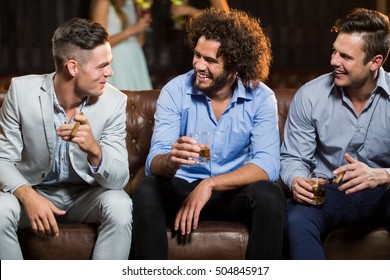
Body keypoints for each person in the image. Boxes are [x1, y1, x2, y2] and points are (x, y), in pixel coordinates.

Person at [133, 8, 286, 260]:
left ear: (236, 64)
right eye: (197, 55)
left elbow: (267, 164)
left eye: (211, 61)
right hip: (182, 189)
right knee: (147, 189)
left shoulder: (261, 97)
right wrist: (170, 161)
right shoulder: (175, 91)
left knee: (270, 195)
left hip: (232, 193)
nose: (198, 65)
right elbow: (154, 162)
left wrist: (211, 184)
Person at [0, 18, 132, 260]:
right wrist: (28, 196)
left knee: (119, 203)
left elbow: (119, 179)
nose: (110, 73)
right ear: (73, 67)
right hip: (35, 190)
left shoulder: (114, 102)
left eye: (109, 64)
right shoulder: (20, 92)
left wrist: (95, 150)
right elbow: (2, 159)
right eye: (102, 66)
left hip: (85, 198)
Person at [280, 8, 390, 259]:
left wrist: (382, 175)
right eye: (334, 51)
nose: (333, 61)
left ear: (375, 62)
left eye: (346, 57)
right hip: (329, 192)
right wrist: (296, 179)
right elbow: (293, 158)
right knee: (297, 217)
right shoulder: (310, 95)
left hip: (384, 191)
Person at [91, 0, 153, 90]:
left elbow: (140, 41)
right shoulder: (103, 2)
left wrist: (142, 8)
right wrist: (131, 30)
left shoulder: (131, 2)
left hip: (135, 58)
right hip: (117, 60)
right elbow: (99, 42)